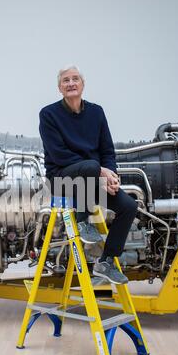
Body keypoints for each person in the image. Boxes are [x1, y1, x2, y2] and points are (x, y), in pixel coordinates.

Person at [39, 65, 137, 284]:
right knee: (91, 166)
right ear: (59, 88)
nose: (71, 83)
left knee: (129, 206)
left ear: (83, 84)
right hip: (62, 178)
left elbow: (107, 151)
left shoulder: (96, 112)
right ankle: (82, 221)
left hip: (94, 179)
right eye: (66, 80)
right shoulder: (48, 114)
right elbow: (59, 154)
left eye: (75, 79)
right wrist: (100, 170)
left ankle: (106, 262)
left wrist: (111, 176)